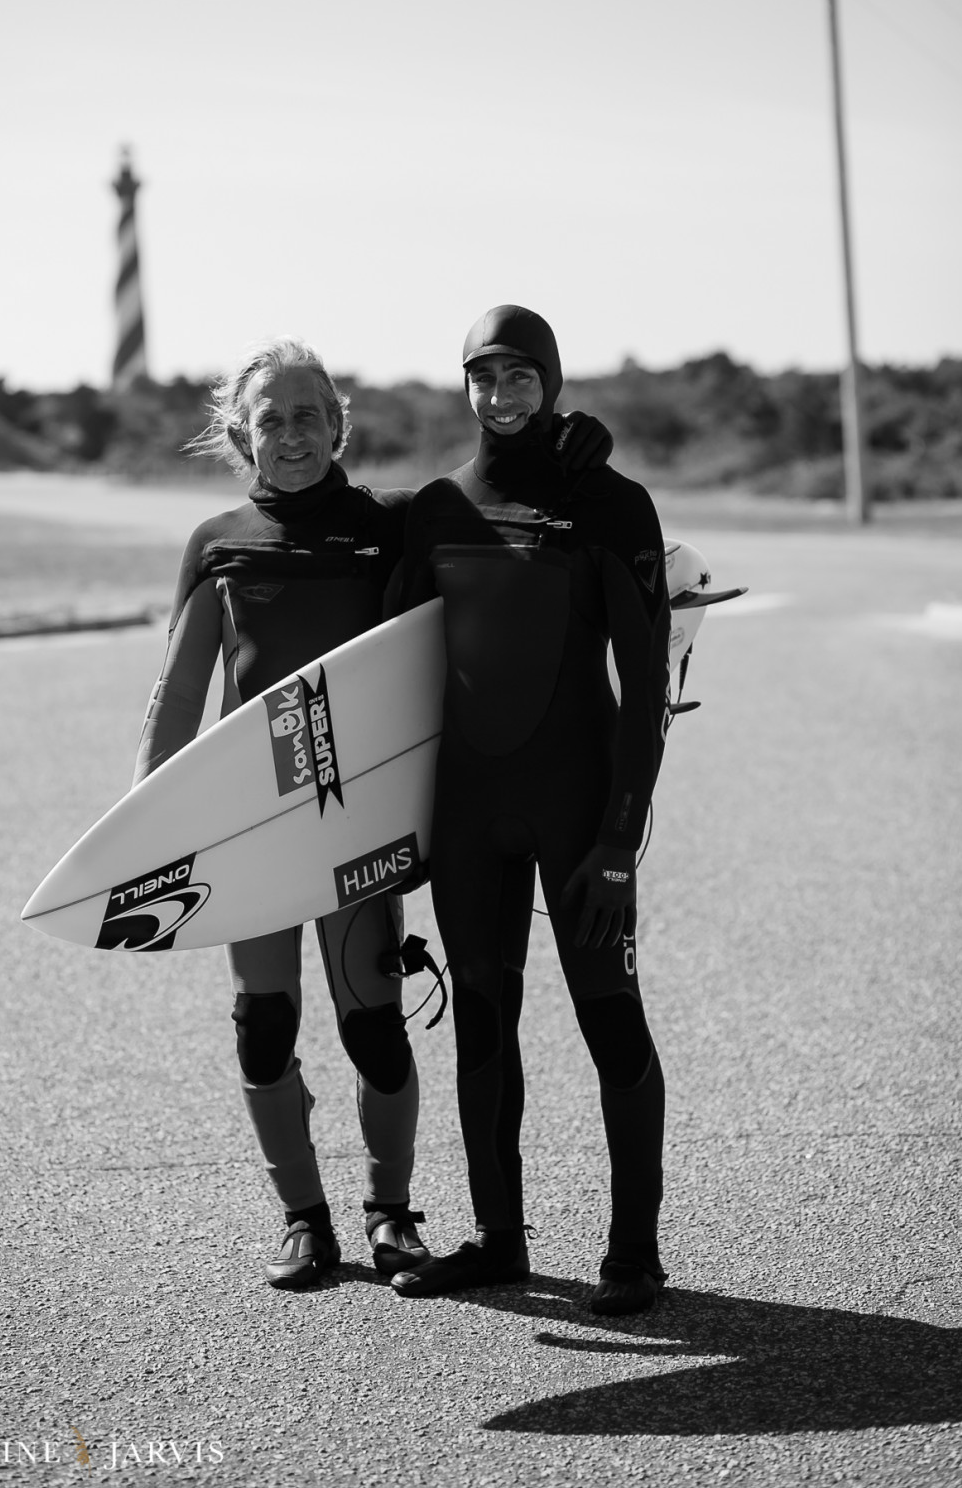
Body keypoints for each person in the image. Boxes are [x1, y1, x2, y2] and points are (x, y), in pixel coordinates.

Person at [134, 336, 613, 1292]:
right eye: (271, 418)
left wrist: (573, 448)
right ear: (239, 433)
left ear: (340, 423)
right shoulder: (219, 541)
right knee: (262, 1025)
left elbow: (506, 524)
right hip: (254, 828)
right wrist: (152, 831)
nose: (292, 434)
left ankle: (390, 1213)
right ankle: (304, 1221)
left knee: (375, 1028)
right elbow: (179, 692)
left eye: (310, 414)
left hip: (355, 828)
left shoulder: (397, 522)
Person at [389, 306, 672, 1315]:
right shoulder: (432, 509)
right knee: (480, 1026)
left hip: (575, 811)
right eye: (481, 376)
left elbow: (642, 694)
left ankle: (632, 1251)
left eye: (519, 377)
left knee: (610, 1021)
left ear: (549, 382)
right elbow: (391, 680)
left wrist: (617, 843)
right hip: (469, 816)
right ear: (462, 386)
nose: (499, 395)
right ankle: (495, 1239)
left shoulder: (611, 506)